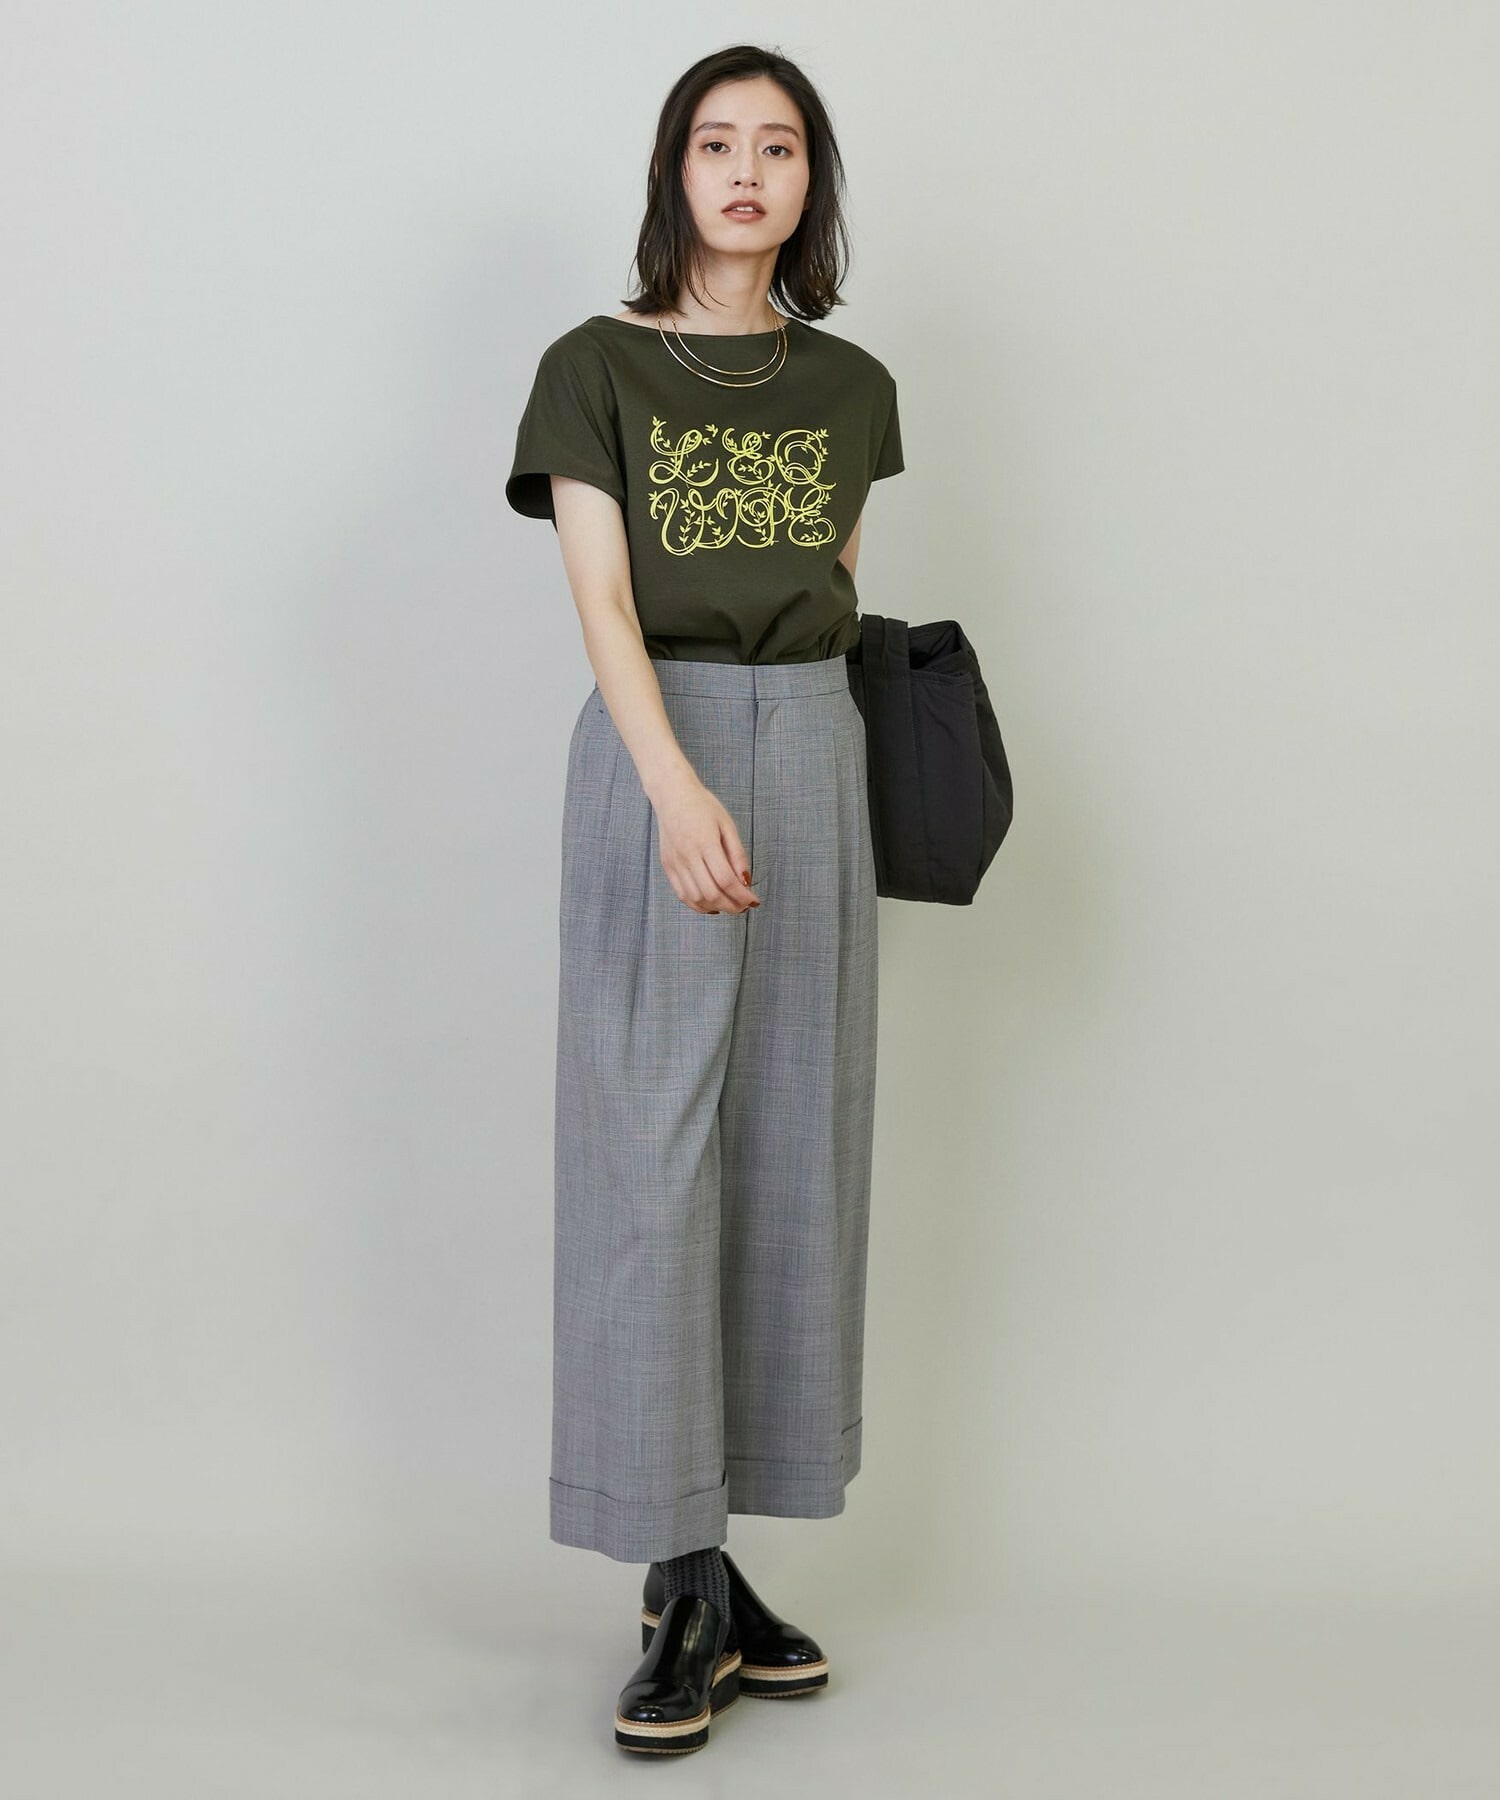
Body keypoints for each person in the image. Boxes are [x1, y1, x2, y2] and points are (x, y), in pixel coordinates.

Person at [505, 44, 904, 1755]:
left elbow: (836, 587)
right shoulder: (593, 366)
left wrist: (802, 754)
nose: (748, 173)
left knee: (792, 1144)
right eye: (718, 144)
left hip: (812, 741)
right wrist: (674, 784)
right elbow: (604, 600)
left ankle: (719, 1570)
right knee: (650, 1156)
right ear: (674, 169)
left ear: (812, 184)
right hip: (653, 740)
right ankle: (675, 1581)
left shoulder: (854, 385)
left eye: (781, 148)